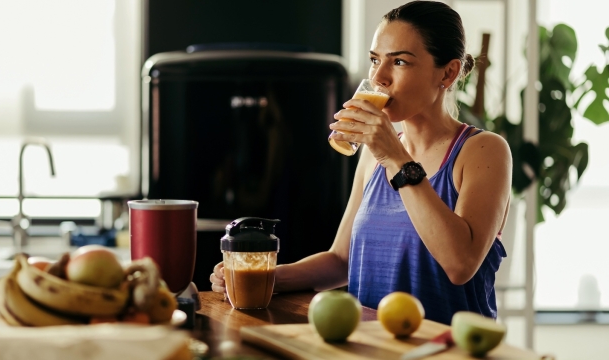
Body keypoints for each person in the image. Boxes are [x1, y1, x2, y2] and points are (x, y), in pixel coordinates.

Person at [210, 0, 511, 326]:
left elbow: (460, 264)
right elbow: (341, 260)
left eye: (399, 61)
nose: (379, 76)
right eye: (374, 60)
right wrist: (260, 277)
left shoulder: (483, 151)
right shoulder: (374, 154)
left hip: (447, 349)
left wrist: (395, 158)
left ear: (448, 73)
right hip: (370, 347)